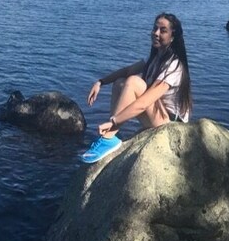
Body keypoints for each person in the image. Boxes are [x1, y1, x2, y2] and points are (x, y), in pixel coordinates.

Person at [80, 12, 193, 163]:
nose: (156, 33)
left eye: (163, 30)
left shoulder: (174, 65)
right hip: (159, 115)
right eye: (155, 28)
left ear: (173, 36)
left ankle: (109, 135)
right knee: (121, 82)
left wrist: (114, 122)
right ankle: (113, 136)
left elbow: (144, 103)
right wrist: (100, 82)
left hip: (171, 124)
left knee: (134, 82)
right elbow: (127, 71)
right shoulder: (155, 57)